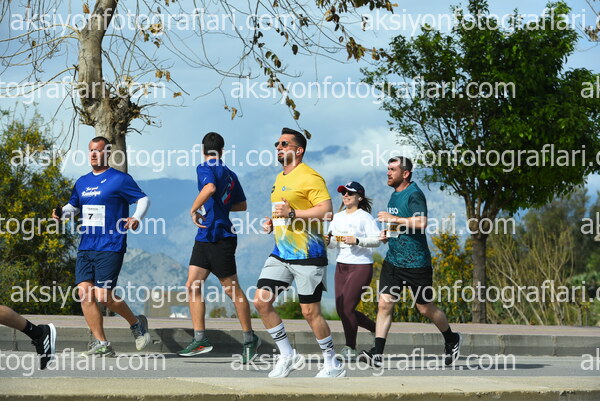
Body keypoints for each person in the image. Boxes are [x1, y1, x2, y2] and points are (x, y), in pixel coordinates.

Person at [253, 128, 346, 378]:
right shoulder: (279, 178)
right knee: (261, 301)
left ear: (299, 150)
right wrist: (273, 222)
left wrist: (293, 214)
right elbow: (284, 211)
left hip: (308, 254)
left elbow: (327, 211)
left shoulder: (310, 176)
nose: (278, 147)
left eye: (284, 144)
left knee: (309, 312)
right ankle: (288, 355)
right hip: (281, 253)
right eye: (277, 144)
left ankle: (333, 363)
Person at [52, 136, 151, 357]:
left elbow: (144, 199)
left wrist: (136, 218)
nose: (93, 154)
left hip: (110, 244)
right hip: (87, 246)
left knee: (104, 296)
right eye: (90, 151)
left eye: (98, 150)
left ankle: (136, 324)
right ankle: (102, 343)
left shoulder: (120, 179)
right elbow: (73, 207)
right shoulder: (82, 182)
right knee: (85, 294)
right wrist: (61, 214)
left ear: (108, 153)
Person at [360, 156, 461, 368]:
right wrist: (388, 233)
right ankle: (377, 354)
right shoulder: (394, 195)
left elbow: (421, 222)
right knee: (384, 304)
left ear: (405, 173)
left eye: (392, 169)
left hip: (416, 263)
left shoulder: (414, 194)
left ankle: (451, 339)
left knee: (424, 308)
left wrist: (393, 219)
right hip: (393, 261)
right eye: (388, 168)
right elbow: (399, 225)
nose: (388, 173)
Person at [178, 132, 260, 364]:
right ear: (222, 151)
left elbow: (210, 188)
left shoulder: (204, 167)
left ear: (202, 150)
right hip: (205, 235)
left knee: (231, 289)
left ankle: (249, 339)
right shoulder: (231, 174)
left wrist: (193, 209)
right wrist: (220, 207)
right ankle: (200, 339)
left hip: (220, 236)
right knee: (192, 284)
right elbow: (242, 205)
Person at [325, 181, 380, 361]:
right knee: (341, 309)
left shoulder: (365, 217)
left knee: (347, 307)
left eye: (350, 193)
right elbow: (333, 243)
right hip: (341, 265)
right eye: (343, 193)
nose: (346, 195)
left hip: (361, 265)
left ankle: (350, 347)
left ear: (360, 197)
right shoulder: (337, 217)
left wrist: (357, 240)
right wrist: (328, 241)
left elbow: (377, 240)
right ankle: (377, 329)